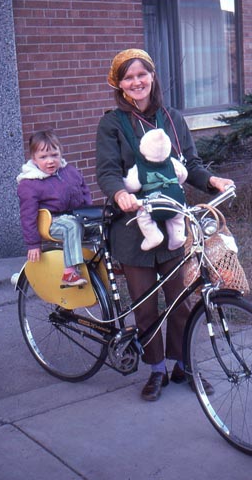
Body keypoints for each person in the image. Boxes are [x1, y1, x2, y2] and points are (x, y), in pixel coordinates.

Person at [96, 48, 234, 401]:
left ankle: (182, 365)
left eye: (142, 74)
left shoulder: (171, 118)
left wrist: (212, 180)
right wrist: (118, 195)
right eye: (128, 77)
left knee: (182, 302)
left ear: (152, 77)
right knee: (145, 307)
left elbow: (191, 163)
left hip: (173, 221)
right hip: (133, 228)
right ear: (119, 85)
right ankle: (156, 369)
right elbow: (109, 172)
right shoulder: (113, 123)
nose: (136, 82)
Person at [17, 129, 92, 286]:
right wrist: (33, 244)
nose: (50, 161)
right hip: (50, 222)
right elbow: (28, 216)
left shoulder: (70, 172)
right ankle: (70, 272)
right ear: (34, 158)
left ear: (61, 153)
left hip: (75, 215)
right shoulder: (30, 183)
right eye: (43, 157)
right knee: (71, 227)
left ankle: (107, 262)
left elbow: (84, 191)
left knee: (103, 222)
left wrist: (89, 213)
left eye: (54, 155)